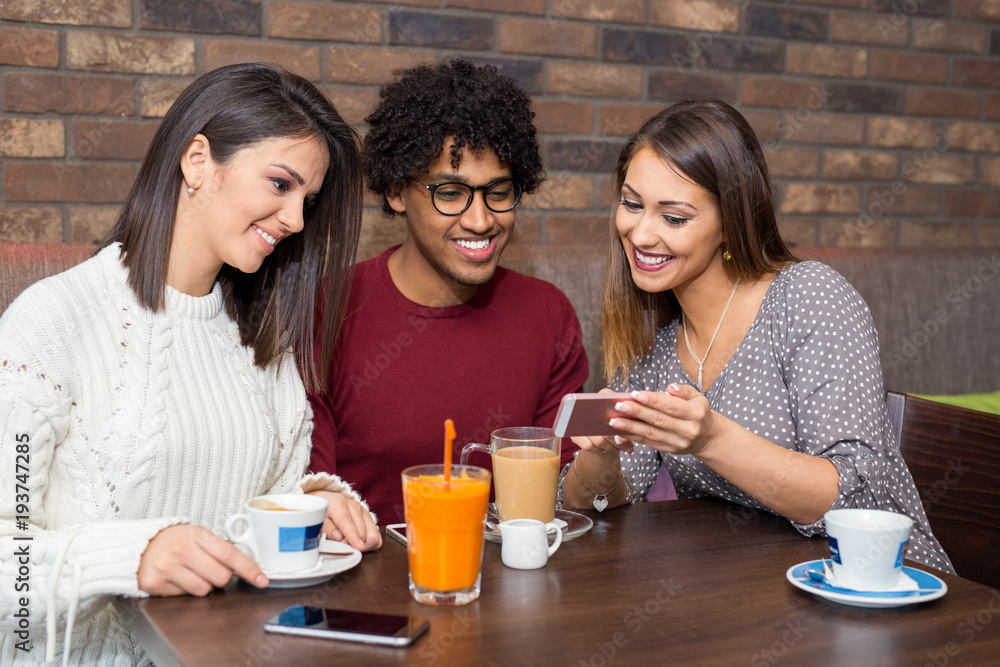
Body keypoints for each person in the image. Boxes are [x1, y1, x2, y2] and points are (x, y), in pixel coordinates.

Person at [0, 63, 381, 666]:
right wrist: (131, 558)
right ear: (197, 160)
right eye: (280, 184)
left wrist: (312, 505)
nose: (296, 220)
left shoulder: (264, 341)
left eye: (307, 200)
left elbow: (260, 510)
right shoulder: (50, 322)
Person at [561, 99, 953, 572]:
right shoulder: (655, 338)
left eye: (674, 217)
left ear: (731, 222)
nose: (640, 234)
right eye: (631, 204)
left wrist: (710, 437)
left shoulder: (807, 297)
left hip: (884, 586)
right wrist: (600, 457)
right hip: (752, 591)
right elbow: (593, 507)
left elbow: (853, 497)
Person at [308, 59, 589, 524]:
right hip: (367, 565)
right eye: (451, 193)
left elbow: (564, 494)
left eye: (498, 191)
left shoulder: (548, 313)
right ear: (396, 192)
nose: (480, 220)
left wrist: (602, 463)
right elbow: (310, 489)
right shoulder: (329, 308)